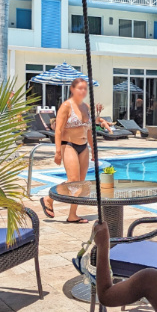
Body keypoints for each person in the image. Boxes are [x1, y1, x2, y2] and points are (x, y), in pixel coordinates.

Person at [39, 78, 110, 224]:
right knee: (73, 180)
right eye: (80, 88)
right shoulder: (66, 106)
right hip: (69, 145)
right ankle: (49, 198)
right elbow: (58, 130)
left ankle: (72, 215)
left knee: (81, 183)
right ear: (73, 90)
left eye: (85, 88)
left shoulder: (86, 107)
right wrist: (58, 151)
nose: (83, 91)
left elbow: (89, 130)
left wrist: (93, 149)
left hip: (83, 147)